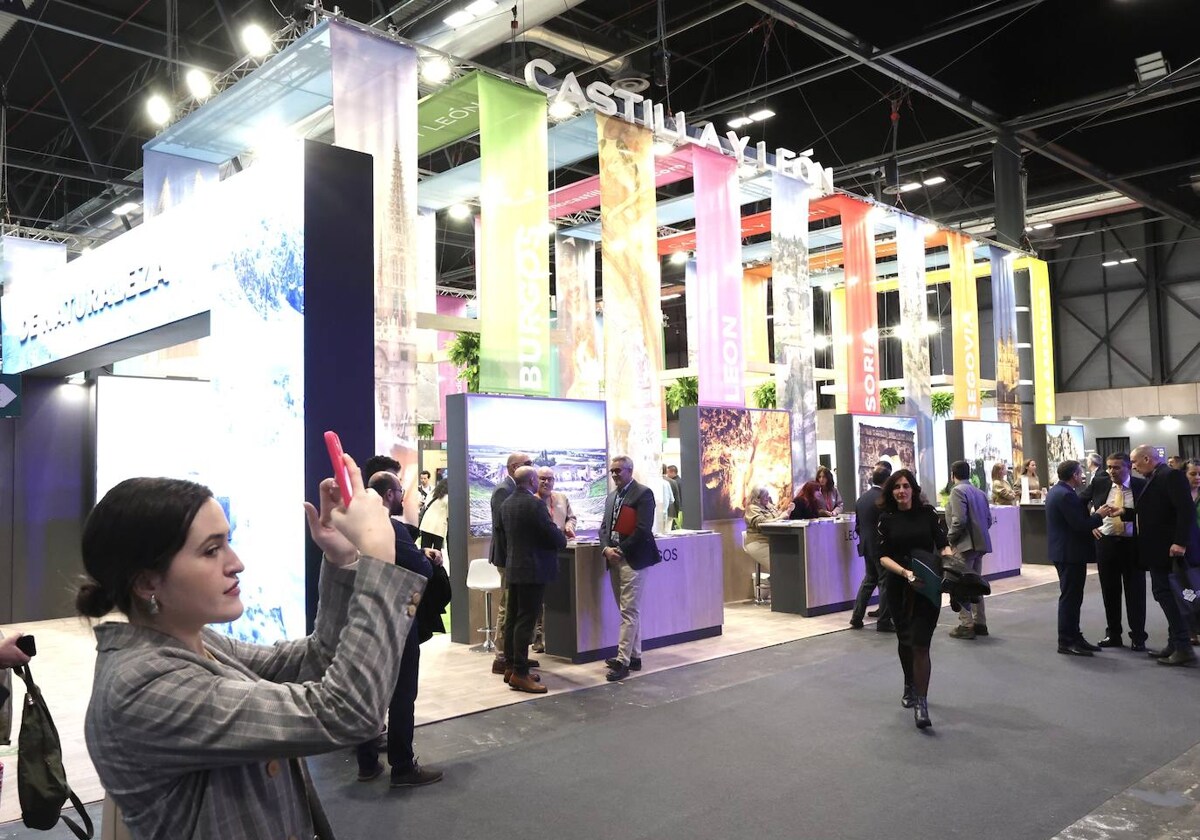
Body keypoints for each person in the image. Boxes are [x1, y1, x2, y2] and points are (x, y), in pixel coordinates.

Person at [79, 460, 426, 839]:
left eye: (228, 542)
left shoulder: (194, 642)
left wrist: (342, 558)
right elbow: (345, 711)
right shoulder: (140, 688)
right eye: (211, 550)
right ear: (147, 582)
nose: (236, 563)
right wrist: (378, 562)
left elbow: (313, 662)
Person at [355, 471, 448, 788]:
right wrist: (427, 558)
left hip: (362, 620)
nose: (402, 495)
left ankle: (367, 762)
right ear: (389, 494)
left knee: (369, 692)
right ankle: (403, 767)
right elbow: (419, 569)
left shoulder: (354, 527)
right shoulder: (389, 528)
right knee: (402, 694)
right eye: (398, 490)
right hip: (395, 619)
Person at [876, 469, 952, 729]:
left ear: (913, 489)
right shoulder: (886, 519)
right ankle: (909, 683)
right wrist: (905, 572)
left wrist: (949, 563)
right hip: (899, 587)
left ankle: (922, 701)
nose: (901, 491)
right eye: (896, 486)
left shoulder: (928, 514)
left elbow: (943, 544)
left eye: (906, 486)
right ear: (891, 491)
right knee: (905, 640)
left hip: (927, 587)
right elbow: (883, 556)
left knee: (921, 644)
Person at [493, 466, 568, 693]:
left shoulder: (507, 504)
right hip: (533, 570)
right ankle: (521, 674)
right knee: (525, 621)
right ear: (533, 480)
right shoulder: (535, 504)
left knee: (514, 619)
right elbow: (552, 536)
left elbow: (502, 538)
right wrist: (561, 537)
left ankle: (512, 668)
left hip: (515, 568)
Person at [1130, 446, 1199, 666]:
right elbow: (1156, 509)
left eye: (1135, 462)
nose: (1133, 466)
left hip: (1169, 550)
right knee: (1166, 595)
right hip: (1158, 550)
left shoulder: (1170, 476)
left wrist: (1180, 541)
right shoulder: (1157, 476)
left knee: (1169, 597)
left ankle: (1183, 646)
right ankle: (1174, 643)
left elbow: (1185, 510)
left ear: (1147, 458)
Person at [599, 455, 660, 682]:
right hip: (612, 558)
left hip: (632, 559)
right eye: (612, 471)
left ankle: (622, 661)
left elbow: (643, 529)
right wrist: (606, 549)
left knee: (629, 611)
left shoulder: (643, 494)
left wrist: (620, 550)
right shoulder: (611, 497)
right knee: (628, 611)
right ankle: (634, 656)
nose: (614, 475)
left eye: (618, 471)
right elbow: (604, 527)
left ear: (629, 471)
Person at [1079, 452, 1147, 651]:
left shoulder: (1140, 486)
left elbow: (1149, 513)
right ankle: (1114, 634)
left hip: (1132, 544)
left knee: (1135, 591)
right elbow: (1079, 501)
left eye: (1116, 467)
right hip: (1106, 543)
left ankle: (1138, 636)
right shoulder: (1100, 483)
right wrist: (1090, 524)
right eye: (1109, 467)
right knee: (1110, 591)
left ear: (1127, 467)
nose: (1111, 471)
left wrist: (1126, 513)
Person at [1045, 460, 1108, 657]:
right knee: (1070, 598)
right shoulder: (1065, 495)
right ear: (1074, 475)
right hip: (1069, 553)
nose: (1082, 476)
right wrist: (1099, 515)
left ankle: (1074, 636)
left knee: (1073, 597)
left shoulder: (1059, 492)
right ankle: (1067, 640)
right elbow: (1080, 524)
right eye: (1080, 473)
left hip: (1067, 552)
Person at [489, 452, 534, 677]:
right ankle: (502, 656)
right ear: (514, 467)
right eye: (528, 464)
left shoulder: (510, 489)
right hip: (509, 558)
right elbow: (503, 529)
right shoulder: (503, 491)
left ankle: (514, 654)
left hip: (513, 557)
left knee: (513, 607)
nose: (532, 468)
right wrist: (512, 557)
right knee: (508, 607)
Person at [945, 459, 994, 640]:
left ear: (953, 474)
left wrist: (950, 539)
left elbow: (959, 520)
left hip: (964, 546)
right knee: (976, 585)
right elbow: (988, 520)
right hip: (979, 545)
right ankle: (980, 622)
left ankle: (966, 625)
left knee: (960, 586)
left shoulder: (957, 491)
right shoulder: (980, 493)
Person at [532, 467, 577, 652]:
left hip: (561, 553)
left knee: (556, 597)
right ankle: (538, 638)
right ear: (535, 480)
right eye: (542, 479)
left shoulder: (561, 498)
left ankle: (554, 637)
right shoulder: (532, 501)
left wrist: (568, 526)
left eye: (550, 479)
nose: (546, 482)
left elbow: (572, 517)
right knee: (539, 600)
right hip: (538, 555)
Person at [850, 462, 893, 631]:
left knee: (869, 580)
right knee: (885, 582)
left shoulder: (862, 499)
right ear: (888, 479)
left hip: (867, 546)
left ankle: (856, 617)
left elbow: (859, 526)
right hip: (882, 548)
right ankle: (884, 621)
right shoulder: (884, 499)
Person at [743, 485, 793, 574]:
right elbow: (762, 524)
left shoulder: (768, 506)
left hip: (772, 541)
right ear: (758, 498)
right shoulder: (752, 508)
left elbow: (777, 516)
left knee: (788, 560)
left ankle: (779, 583)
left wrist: (787, 511)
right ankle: (778, 584)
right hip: (759, 542)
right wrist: (781, 518)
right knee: (778, 566)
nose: (768, 498)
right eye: (765, 496)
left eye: (768, 495)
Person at [418, 478, 449, 551]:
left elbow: (425, 505)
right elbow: (448, 514)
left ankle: (424, 562)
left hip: (426, 525)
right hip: (439, 527)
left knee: (425, 549)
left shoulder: (432, 493)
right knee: (436, 551)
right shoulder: (448, 498)